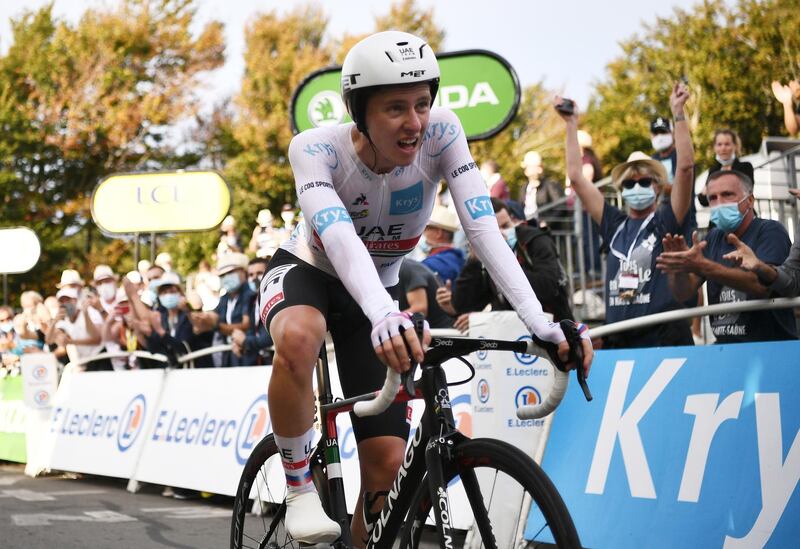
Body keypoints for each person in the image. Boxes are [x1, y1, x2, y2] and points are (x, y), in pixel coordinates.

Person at [259, 31, 592, 546]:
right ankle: (301, 485)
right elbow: (341, 237)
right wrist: (383, 314)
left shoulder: (443, 133)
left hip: (378, 296)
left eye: (421, 104)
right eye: (394, 107)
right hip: (311, 271)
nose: (413, 122)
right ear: (359, 112)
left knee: (387, 469)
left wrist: (542, 322)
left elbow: (483, 228)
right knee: (302, 335)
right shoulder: (315, 149)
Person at [556, 83, 696, 348]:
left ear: (657, 186)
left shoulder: (665, 220)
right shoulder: (614, 224)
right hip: (620, 338)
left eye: (644, 181)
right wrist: (571, 124)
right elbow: (576, 176)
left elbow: (686, 168)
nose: (637, 187)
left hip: (663, 338)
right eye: (629, 184)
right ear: (621, 190)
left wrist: (678, 112)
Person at [656, 170, 796, 343]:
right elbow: (684, 293)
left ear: (750, 201)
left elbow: (762, 286)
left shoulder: (770, 231)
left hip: (770, 348)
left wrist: (704, 266)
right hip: (725, 350)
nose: (719, 203)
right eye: (712, 198)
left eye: (727, 195)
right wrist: (679, 269)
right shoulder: (713, 237)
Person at [447, 198, 573, 326]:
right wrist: (473, 262)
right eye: (495, 231)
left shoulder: (536, 241)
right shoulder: (486, 255)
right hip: (514, 333)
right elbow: (464, 306)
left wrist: (504, 259)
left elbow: (547, 288)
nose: (502, 233)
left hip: (554, 328)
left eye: (506, 225)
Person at [141, 272, 214, 367]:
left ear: (180, 293)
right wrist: (149, 333)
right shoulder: (161, 317)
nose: (168, 295)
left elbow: (184, 347)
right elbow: (154, 349)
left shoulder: (189, 316)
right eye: (164, 292)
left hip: (197, 371)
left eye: (172, 291)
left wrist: (161, 332)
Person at [232, 257, 273, 364]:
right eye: (251, 275)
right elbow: (250, 331)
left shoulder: (275, 299)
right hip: (254, 364)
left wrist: (245, 341)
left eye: (259, 273)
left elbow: (270, 338)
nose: (254, 278)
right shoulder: (251, 301)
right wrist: (239, 343)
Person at [698, 129, 754, 207]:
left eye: (727, 144)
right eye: (719, 144)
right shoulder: (713, 170)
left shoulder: (745, 167)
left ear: (735, 146)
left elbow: (745, 194)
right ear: (715, 147)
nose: (723, 148)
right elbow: (703, 200)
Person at [397, 258, 454, 329]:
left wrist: (391, 319)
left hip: (442, 332)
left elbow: (420, 310)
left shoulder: (406, 268)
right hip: (426, 330)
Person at [419, 205, 465, 283]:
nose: (423, 234)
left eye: (425, 230)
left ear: (438, 233)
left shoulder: (430, 264)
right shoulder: (458, 257)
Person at [518, 151, 564, 221]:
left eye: (528, 167)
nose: (526, 170)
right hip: (527, 226)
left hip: (544, 229)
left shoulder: (550, 185)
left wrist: (546, 223)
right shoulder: (524, 187)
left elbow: (560, 207)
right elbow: (520, 207)